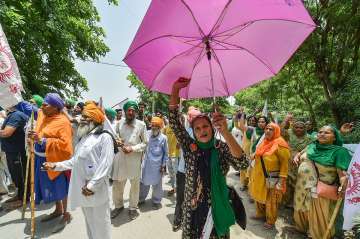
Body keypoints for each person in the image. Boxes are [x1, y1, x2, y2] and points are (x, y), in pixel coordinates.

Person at [169, 77, 248, 238]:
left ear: (212, 128)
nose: (202, 130)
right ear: (193, 132)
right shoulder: (190, 147)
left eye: (205, 126)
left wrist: (226, 131)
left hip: (216, 210)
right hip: (193, 210)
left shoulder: (221, 147)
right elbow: (174, 123)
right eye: (197, 128)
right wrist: (175, 90)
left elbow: (243, 163)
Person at [42, 102, 114, 239]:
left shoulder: (105, 137)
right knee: (90, 225)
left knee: (101, 227)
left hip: (95, 190)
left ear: (94, 119)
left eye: (86, 117)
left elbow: (105, 165)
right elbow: (74, 161)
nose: (82, 119)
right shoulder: (84, 139)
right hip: (83, 190)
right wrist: (55, 165)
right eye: (82, 117)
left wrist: (92, 186)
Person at [293, 125, 352, 239]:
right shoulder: (312, 146)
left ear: (334, 137)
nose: (322, 134)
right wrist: (297, 155)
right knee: (303, 212)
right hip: (302, 188)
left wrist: (343, 186)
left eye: (327, 133)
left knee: (318, 219)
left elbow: (342, 174)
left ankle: (316, 236)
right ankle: (304, 230)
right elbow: (301, 153)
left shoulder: (339, 152)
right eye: (320, 132)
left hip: (320, 191)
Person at [30, 93, 73, 232]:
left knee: (62, 187)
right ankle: (58, 209)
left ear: (55, 107)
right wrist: (32, 137)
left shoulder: (63, 121)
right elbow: (38, 132)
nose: (42, 107)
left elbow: (65, 145)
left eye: (45, 105)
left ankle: (66, 213)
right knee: (50, 185)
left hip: (57, 160)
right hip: (42, 158)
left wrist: (42, 141)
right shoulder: (43, 116)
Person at [249, 123, 290, 229]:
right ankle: (260, 214)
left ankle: (271, 220)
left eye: (271, 129)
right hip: (259, 176)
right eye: (266, 129)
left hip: (272, 178)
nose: (267, 131)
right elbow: (259, 153)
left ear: (276, 131)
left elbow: (285, 164)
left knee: (271, 200)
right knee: (259, 195)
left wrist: (281, 181)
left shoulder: (281, 144)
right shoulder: (265, 142)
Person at [111, 100, 147, 220]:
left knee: (135, 186)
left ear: (136, 112)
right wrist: (116, 141)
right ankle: (118, 206)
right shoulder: (118, 123)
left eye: (133, 110)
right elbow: (114, 137)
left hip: (134, 160)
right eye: (128, 110)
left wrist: (133, 148)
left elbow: (145, 143)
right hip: (120, 159)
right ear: (125, 111)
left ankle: (132, 208)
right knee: (117, 185)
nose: (130, 112)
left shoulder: (141, 125)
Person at [0, 104, 29, 208]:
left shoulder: (16, 115)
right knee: (16, 175)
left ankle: (24, 198)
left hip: (17, 152)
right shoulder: (13, 114)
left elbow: (7, 133)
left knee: (20, 175)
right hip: (12, 151)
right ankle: (20, 195)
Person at [139, 117, 168, 209]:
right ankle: (141, 199)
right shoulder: (146, 134)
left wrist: (163, 165)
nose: (154, 127)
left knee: (157, 185)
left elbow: (166, 154)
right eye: (153, 125)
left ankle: (156, 201)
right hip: (146, 165)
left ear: (160, 127)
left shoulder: (164, 138)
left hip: (157, 166)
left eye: (156, 126)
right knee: (143, 183)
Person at [282, 119, 312, 208]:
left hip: (299, 163)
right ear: (293, 127)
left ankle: (295, 202)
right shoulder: (288, 134)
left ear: (305, 128)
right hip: (286, 162)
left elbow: (312, 147)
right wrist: (286, 120)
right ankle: (285, 201)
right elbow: (280, 130)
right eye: (296, 127)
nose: (299, 129)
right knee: (286, 181)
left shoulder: (310, 138)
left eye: (301, 128)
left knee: (296, 182)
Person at [172, 114, 188, 232]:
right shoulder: (183, 134)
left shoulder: (197, 132)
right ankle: (177, 220)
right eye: (180, 119)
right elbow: (178, 147)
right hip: (182, 171)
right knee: (180, 198)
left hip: (196, 172)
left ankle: (189, 220)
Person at [163, 119, 180, 196]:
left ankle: (178, 189)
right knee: (171, 173)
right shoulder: (166, 128)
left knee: (176, 173)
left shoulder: (179, 127)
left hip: (176, 154)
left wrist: (179, 142)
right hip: (168, 154)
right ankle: (174, 188)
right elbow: (162, 137)